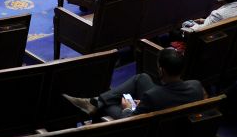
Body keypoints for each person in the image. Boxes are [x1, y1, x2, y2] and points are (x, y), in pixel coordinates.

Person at [63, 46, 204, 119]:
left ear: (161, 70)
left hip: (151, 132)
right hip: (167, 110)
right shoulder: (196, 86)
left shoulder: (152, 96)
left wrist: (127, 108)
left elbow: (131, 120)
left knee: (111, 103)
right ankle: (96, 102)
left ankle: (96, 104)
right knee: (141, 78)